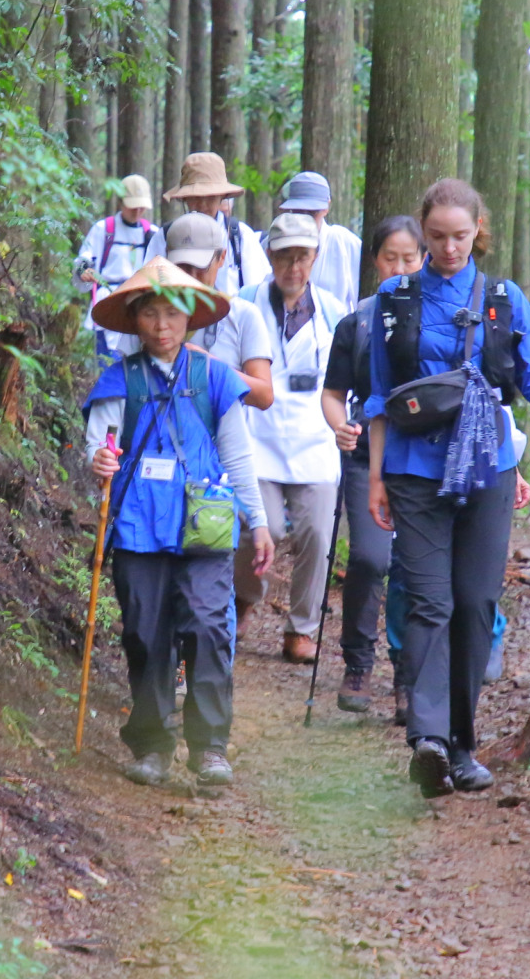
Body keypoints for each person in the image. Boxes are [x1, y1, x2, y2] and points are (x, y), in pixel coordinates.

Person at [365, 179, 530, 798]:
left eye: (460, 236)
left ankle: (462, 746)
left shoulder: (504, 299)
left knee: (474, 604)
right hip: (415, 470)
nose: (448, 247)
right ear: (423, 233)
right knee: (429, 603)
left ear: (479, 233)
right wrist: (375, 479)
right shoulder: (394, 299)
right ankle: (426, 738)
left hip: (488, 468)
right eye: (437, 236)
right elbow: (378, 397)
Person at [84, 258, 274, 789]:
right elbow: (99, 446)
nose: (162, 325)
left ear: (189, 317)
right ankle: (150, 744)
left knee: (210, 628)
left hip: (206, 526)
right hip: (139, 526)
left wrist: (257, 522)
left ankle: (210, 747)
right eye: (150, 314)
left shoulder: (215, 376)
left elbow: (237, 455)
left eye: (172, 314)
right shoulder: (120, 379)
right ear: (135, 319)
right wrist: (99, 460)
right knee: (146, 632)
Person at [322, 218, 521, 721]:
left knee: (439, 584)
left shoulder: (481, 303)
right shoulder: (366, 318)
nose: (401, 265)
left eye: (409, 256)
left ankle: (413, 684)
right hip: (385, 461)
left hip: (460, 462)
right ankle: (364, 666)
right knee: (375, 562)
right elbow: (354, 394)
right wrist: (349, 437)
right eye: (391, 257)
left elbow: (492, 391)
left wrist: (511, 463)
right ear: (376, 262)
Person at [234, 212, 349, 663]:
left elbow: (343, 382)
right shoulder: (244, 303)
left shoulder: (336, 313)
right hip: (257, 435)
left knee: (318, 532)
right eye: (284, 257)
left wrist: (344, 425)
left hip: (315, 438)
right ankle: (244, 598)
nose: (293, 267)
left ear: (315, 258)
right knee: (259, 527)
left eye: (302, 257)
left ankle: (302, 627)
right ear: (269, 256)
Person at [110, 212, 275, 409]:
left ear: (221, 258)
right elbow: (122, 383)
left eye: (201, 267)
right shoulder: (145, 313)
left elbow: (264, 396)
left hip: (226, 435)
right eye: (184, 267)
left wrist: (207, 366)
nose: (192, 276)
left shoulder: (243, 315)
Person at [146, 153, 271, 293]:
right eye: (196, 197)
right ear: (185, 199)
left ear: (222, 197)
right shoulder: (165, 237)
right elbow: (147, 288)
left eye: (210, 197)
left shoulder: (240, 237)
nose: (203, 205)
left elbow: (259, 291)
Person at [74, 175, 159, 362]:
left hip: (141, 304)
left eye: (141, 207)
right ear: (121, 202)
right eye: (132, 206)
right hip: (109, 303)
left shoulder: (151, 233)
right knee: (109, 363)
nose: (137, 211)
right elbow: (84, 259)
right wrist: (84, 271)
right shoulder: (103, 230)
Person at [277, 170, 363, 309]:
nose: (305, 219)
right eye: (298, 211)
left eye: (312, 213)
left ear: (326, 207)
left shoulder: (345, 244)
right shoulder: (275, 244)